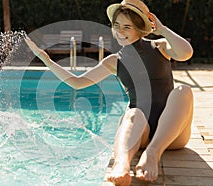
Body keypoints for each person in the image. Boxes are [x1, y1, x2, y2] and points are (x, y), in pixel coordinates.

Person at [24, 0, 193, 185]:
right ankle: (122, 164)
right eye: (117, 25)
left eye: (127, 27)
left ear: (140, 27)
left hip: (173, 134)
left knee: (183, 91)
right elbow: (77, 82)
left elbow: (186, 53)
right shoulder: (114, 61)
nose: (120, 32)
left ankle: (153, 153)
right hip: (140, 131)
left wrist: (162, 29)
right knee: (133, 113)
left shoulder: (159, 46)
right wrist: (45, 59)